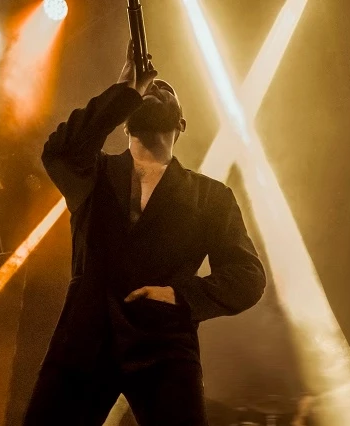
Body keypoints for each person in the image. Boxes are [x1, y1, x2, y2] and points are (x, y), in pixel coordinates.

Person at [24, 40, 267, 426]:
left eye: (165, 90)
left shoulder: (210, 195)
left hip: (165, 345)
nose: (154, 88)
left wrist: (180, 296)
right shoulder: (95, 174)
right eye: (148, 89)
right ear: (125, 120)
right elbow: (59, 151)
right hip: (85, 338)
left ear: (180, 124)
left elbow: (248, 276)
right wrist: (124, 90)